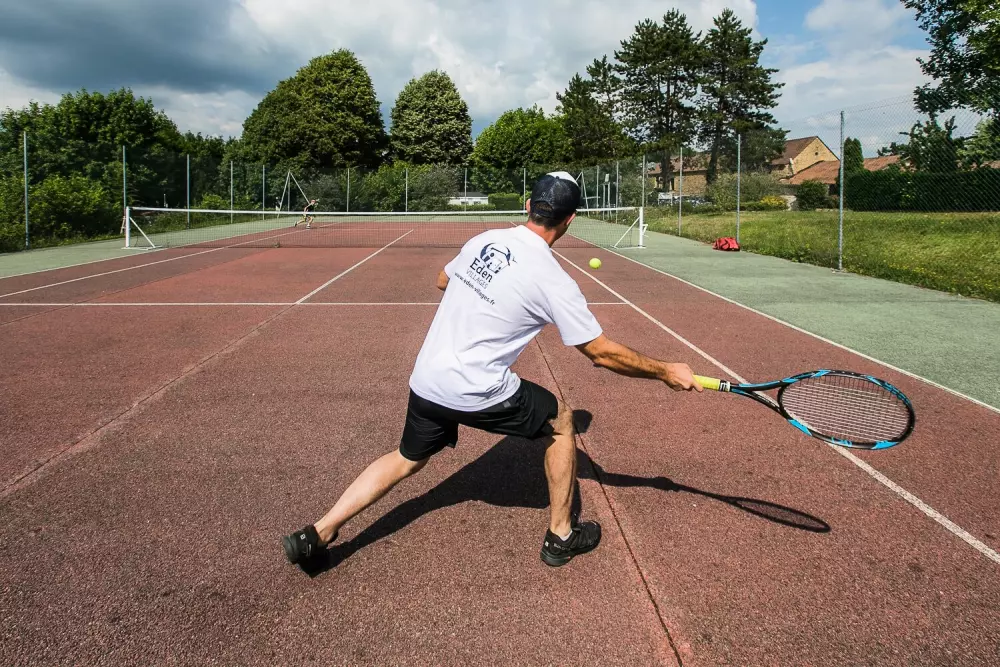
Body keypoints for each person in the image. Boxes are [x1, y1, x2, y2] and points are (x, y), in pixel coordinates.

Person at [282, 172, 701, 569]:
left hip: (427, 378)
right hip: (476, 389)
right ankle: (561, 535)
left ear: (528, 205)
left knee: (406, 458)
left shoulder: (487, 239)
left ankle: (318, 532)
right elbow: (601, 353)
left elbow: (443, 280)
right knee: (561, 422)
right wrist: (665, 371)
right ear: (571, 220)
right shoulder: (555, 280)